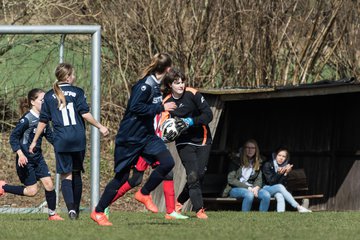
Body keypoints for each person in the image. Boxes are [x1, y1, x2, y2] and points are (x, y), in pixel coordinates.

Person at [90, 52, 177, 226]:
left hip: (147, 136)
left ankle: (144, 193)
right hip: (130, 138)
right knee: (121, 178)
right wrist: (161, 107)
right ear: (167, 69)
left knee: (167, 163)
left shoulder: (155, 86)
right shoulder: (144, 85)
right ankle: (98, 212)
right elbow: (135, 107)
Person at [28, 63, 109, 220]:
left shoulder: (50, 95)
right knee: (77, 173)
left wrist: (34, 141)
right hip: (77, 138)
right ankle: (76, 211)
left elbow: (43, 121)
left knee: (66, 175)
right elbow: (85, 114)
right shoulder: (78, 92)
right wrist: (100, 126)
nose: (74, 77)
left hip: (61, 140)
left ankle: (71, 210)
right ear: (67, 77)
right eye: (73, 74)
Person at [0, 88, 63, 220]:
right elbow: (13, 138)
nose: (45, 103)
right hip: (25, 159)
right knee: (32, 191)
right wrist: (20, 154)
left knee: (49, 185)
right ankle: (3, 187)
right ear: (33, 102)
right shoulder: (27, 119)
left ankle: (52, 215)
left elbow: (51, 137)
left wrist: (62, 147)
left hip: (38, 158)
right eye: (42, 100)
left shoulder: (44, 119)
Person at [161, 68, 213, 219]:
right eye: (177, 83)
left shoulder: (192, 93)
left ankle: (178, 202)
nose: (181, 85)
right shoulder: (167, 102)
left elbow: (208, 115)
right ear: (170, 84)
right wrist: (167, 131)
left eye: (182, 82)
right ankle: (199, 210)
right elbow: (163, 127)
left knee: (199, 175)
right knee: (192, 175)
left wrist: (191, 121)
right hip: (184, 141)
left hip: (202, 139)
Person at [222, 139, 271, 212]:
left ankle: (262, 218)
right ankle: (245, 217)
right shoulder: (236, 160)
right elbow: (231, 180)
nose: (250, 150)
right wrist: (248, 188)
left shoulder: (258, 162)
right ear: (244, 149)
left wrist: (256, 187)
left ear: (256, 150)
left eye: (252, 148)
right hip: (234, 189)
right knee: (249, 194)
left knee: (266, 195)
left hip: (252, 188)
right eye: (248, 148)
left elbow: (259, 179)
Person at [262, 147, 312, 213]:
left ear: (286, 158)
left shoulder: (285, 167)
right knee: (279, 187)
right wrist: (279, 174)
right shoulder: (267, 164)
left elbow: (282, 184)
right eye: (279, 155)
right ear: (275, 155)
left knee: (280, 195)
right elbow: (271, 182)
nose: (281, 158)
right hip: (265, 188)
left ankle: (281, 214)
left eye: (284, 156)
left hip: (277, 189)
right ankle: (298, 207)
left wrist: (285, 173)